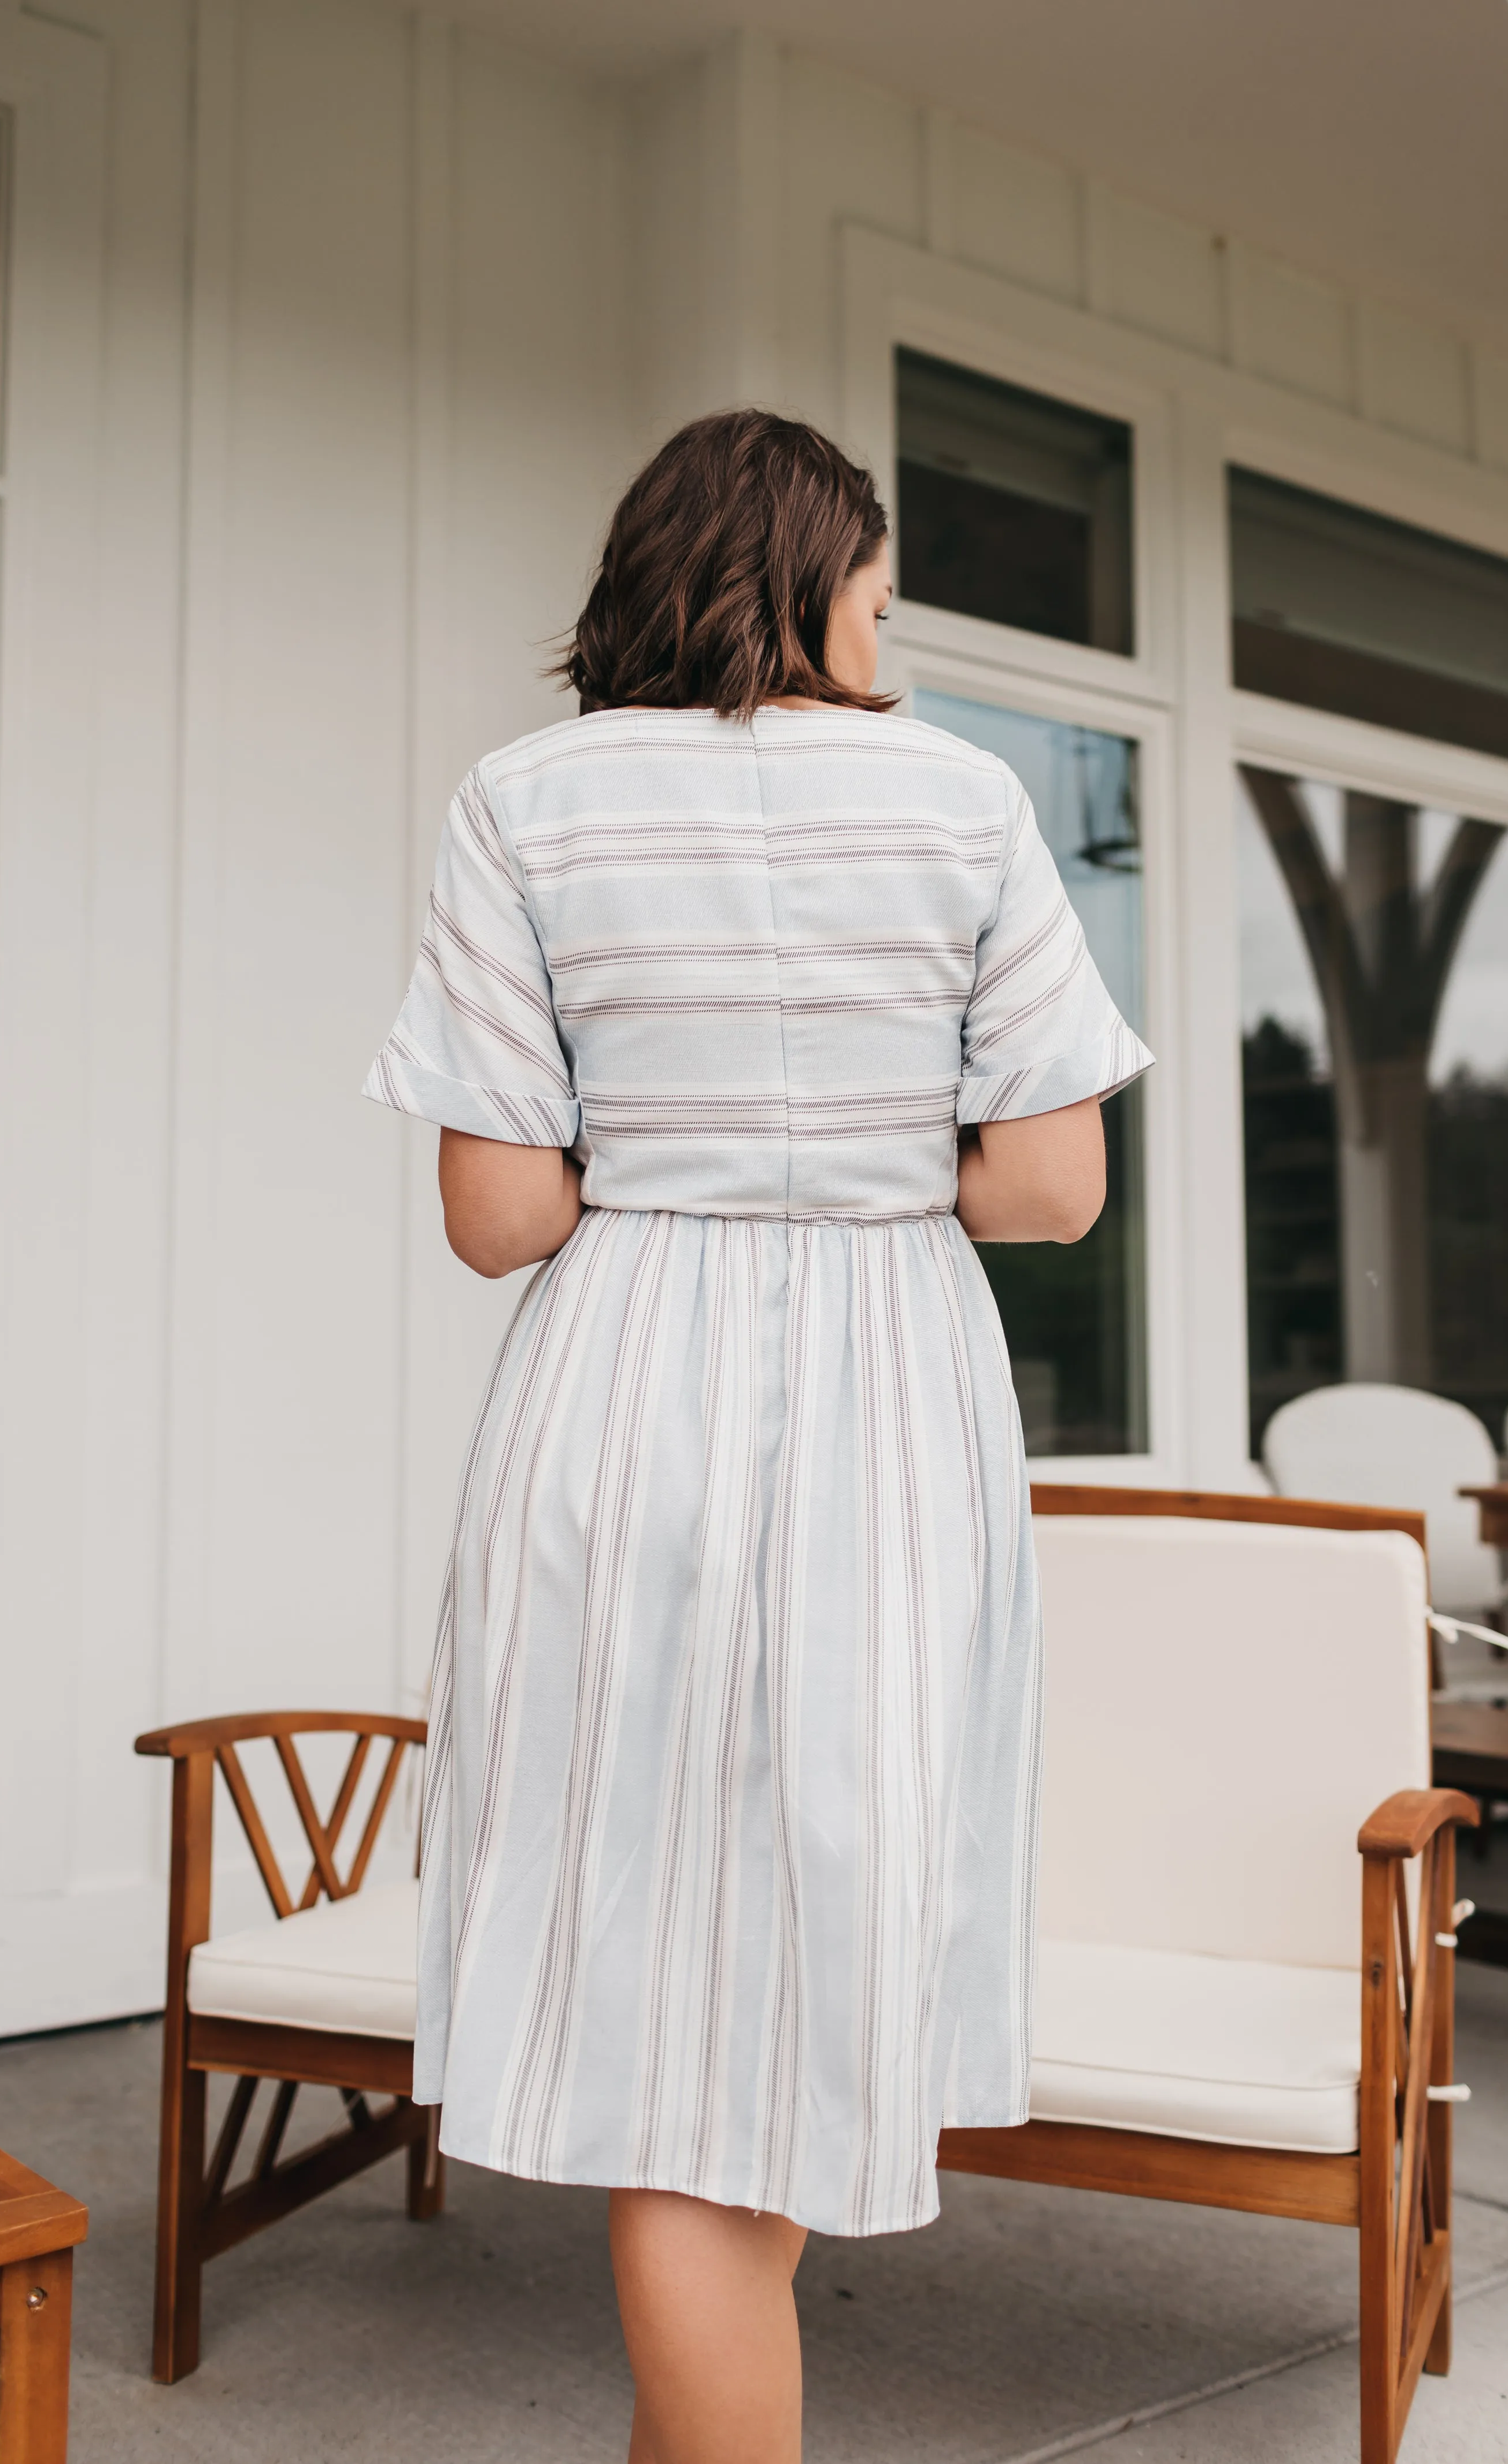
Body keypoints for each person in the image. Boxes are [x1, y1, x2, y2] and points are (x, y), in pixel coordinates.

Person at [365, 408, 1152, 2464]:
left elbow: (499, 1216)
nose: (893, 630)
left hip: (617, 1393)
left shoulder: (523, 801)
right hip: (891, 1395)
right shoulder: (969, 801)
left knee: (659, 1970)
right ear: (810, 576)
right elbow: (1057, 1188)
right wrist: (872, 1154)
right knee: (800, 1958)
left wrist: (676, 1145)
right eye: (880, 592)